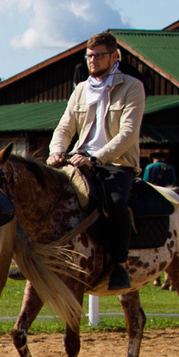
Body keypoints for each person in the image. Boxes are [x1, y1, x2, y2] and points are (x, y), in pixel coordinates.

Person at [48, 31, 147, 272]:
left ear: (114, 56)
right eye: (89, 56)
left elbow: (128, 133)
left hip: (116, 163)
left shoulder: (132, 87)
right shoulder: (81, 89)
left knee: (116, 202)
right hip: (78, 159)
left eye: (99, 56)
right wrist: (56, 151)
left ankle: (119, 264)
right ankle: (39, 255)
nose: (92, 60)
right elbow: (65, 127)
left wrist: (96, 158)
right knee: (44, 193)